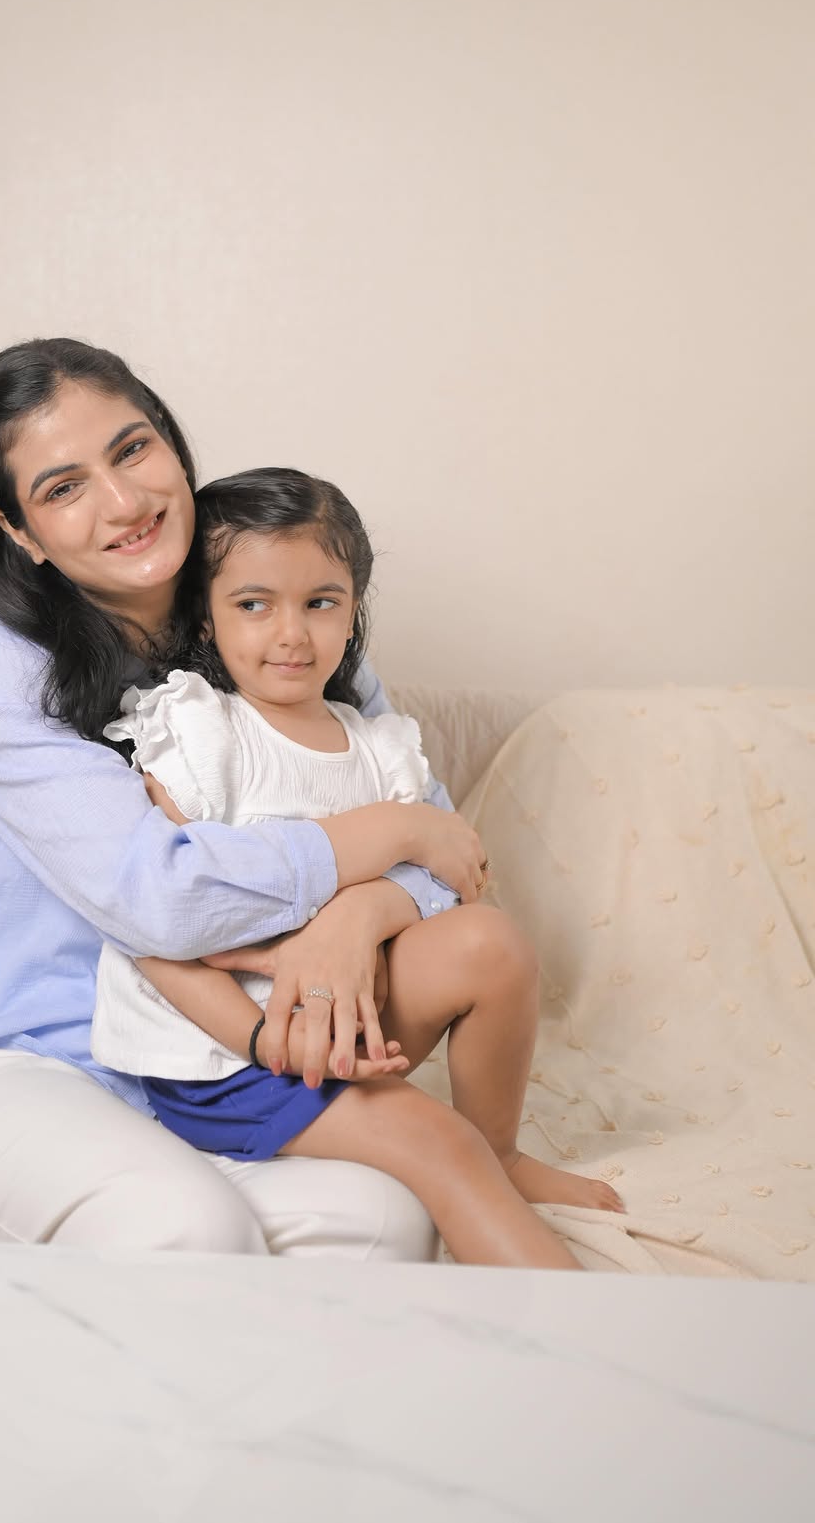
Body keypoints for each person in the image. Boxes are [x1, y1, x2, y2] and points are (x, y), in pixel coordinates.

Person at [0, 337, 490, 1258]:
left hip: (193, 1066)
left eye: (132, 449)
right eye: (63, 488)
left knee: (388, 1218)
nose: (122, 502)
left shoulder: (266, 596)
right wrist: (386, 834)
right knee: (187, 1227)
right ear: (20, 532)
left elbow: (449, 853)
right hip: (8, 1057)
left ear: (172, 444)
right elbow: (159, 898)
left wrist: (360, 917)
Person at [93, 468, 624, 1270]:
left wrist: (374, 905)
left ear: (353, 612)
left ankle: (501, 1149)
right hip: (223, 1058)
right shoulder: (200, 733)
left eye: (320, 602)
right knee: (440, 1144)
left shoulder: (379, 748)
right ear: (206, 614)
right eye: (254, 604)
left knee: (491, 941)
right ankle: (580, 1327)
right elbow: (149, 931)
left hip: (351, 1014)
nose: (291, 633)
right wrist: (262, 1038)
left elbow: (453, 878)